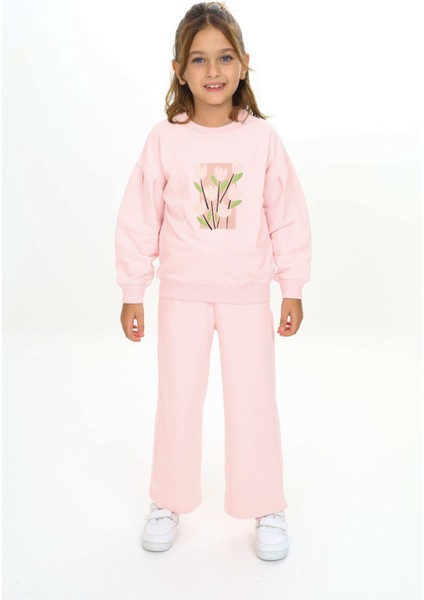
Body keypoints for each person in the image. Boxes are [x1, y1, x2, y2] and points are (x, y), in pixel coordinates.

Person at [114, 1, 312, 562]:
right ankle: (167, 500)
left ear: (244, 63)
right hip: (182, 294)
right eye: (198, 60)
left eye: (225, 57)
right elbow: (140, 216)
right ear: (179, 70)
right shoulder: (165, 139)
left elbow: (287, 214)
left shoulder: (262, 140)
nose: (213, 71)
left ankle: (266, 504)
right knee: (178, 401)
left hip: (247, 296)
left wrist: (292, 285)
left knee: (254, 403)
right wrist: (134, 290)